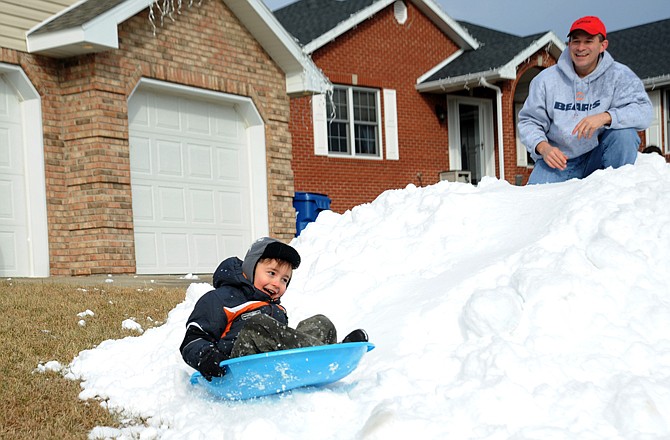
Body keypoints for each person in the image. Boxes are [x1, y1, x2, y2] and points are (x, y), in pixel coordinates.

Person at [180, 237, 368, 381]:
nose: (277, 283)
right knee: (258, 325)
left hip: (273, 364)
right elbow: (192, 339)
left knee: (320, 323)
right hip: (235, 367)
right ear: (250, 267)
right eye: (271, 273)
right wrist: (206, 357)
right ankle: (328, 355)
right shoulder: (220, 298)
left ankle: (323, 355)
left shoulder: (276, 309)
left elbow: (281, 339)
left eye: (284, 280)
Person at [518, 16, 653, 184]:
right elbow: (529, 121)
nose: (580, 48)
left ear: (603, 46)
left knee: (624, 135)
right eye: (576, 41)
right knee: (535, 203)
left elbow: (644, 112)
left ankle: (617, 188)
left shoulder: (620, 76)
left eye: (588, 41)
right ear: (569, 44)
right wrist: (543, 148)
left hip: (599, 158)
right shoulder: (546, 80)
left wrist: (606, 116)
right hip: (559, 163)